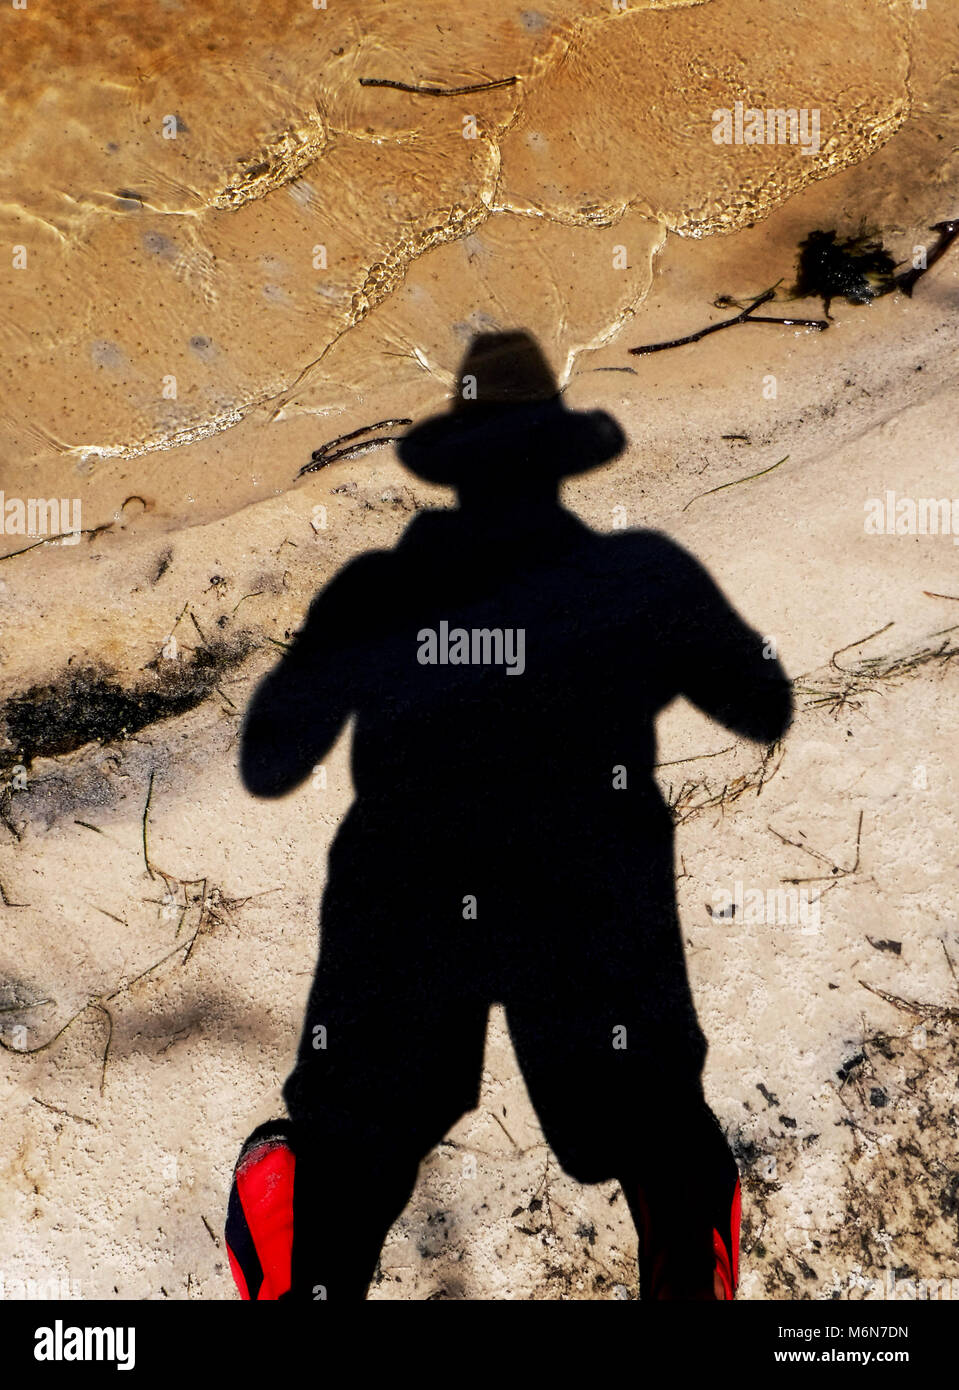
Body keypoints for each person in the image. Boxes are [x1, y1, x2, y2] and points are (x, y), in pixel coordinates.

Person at [226, 331, 792, 1300]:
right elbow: (763, 703)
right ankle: (691, 1256)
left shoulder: (378, 589)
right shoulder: (637, 575)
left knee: (357, 1129)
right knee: (649, 1109)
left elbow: (271, 759)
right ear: (557, 460)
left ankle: (303, 1259)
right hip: (583, 875)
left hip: (409, 881)